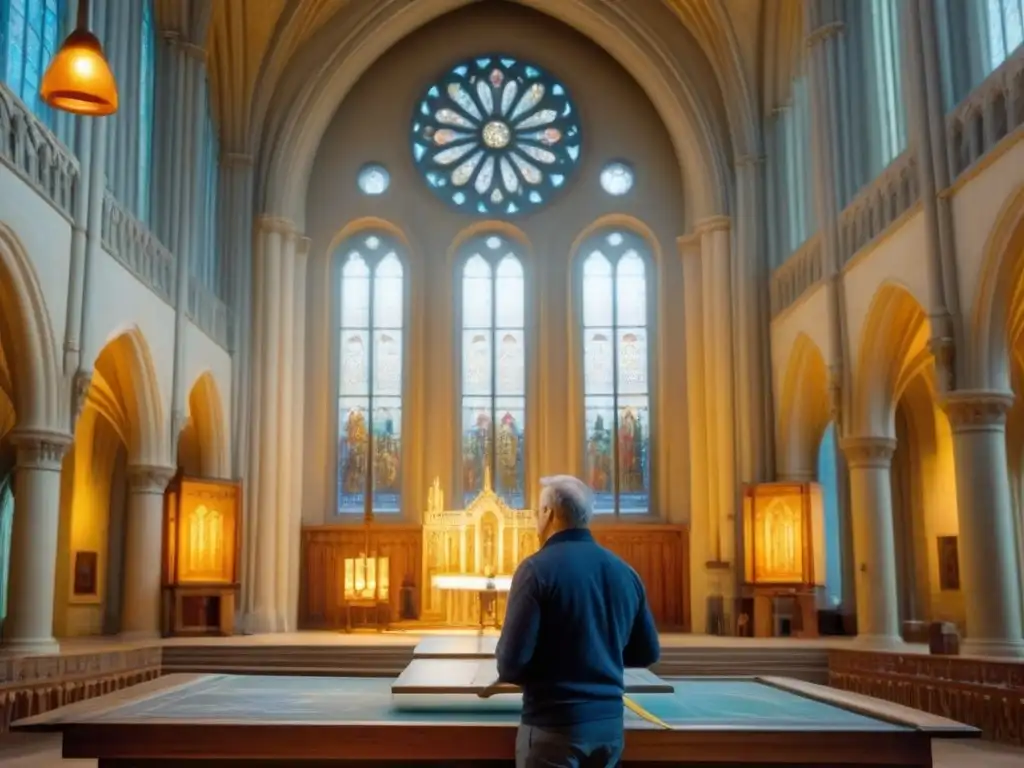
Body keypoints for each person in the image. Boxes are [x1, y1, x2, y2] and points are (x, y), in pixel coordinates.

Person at [491, 475, 660, 768]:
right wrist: (600, 654)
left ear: (548, 514)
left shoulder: (536, 570)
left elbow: (511, 664)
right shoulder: (624, 571)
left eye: (536, 512)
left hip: (553, 727)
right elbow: (647, 653)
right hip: (609, 729)